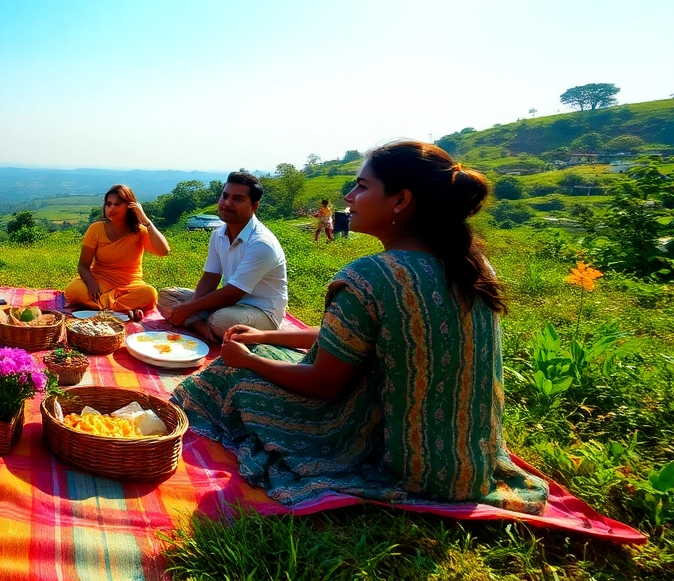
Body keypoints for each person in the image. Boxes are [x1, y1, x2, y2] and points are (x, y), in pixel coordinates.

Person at [171, 142, 548, 513]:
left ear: (400, 200)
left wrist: (247, 360)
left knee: (226, 375)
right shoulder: (474, 267)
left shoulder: (371, 275)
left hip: (395, 460)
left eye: (362, 186)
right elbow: (353, 339)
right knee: (260, 347)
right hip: (468, 464)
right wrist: (267, 336)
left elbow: (324, 383)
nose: (350, 197)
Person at [157, 171, 288, 344]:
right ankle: (203, 326)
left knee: (221, 320)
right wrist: (191, 308)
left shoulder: (261, 243)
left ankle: (203, 327)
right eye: (225, 196)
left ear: (254, 206)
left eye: (237, 199)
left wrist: (189, 309)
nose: (227, 203)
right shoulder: (219, 234)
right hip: (229, 305)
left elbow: (232, 294)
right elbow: (210, 277)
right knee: (167, 296)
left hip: (261, 312)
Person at [62, 185, 170, 313]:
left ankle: (102, 305)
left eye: (117, 204)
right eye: (108, 204)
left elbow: (164, 251)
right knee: (73, 291)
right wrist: (91, 283)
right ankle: (123, 307)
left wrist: (146, 221)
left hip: (130, 284)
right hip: (100, 280)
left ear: (130, 206)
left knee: (150, 294)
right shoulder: (96, 229)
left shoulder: (139, 231)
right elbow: (83, 266)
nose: (111, 208)